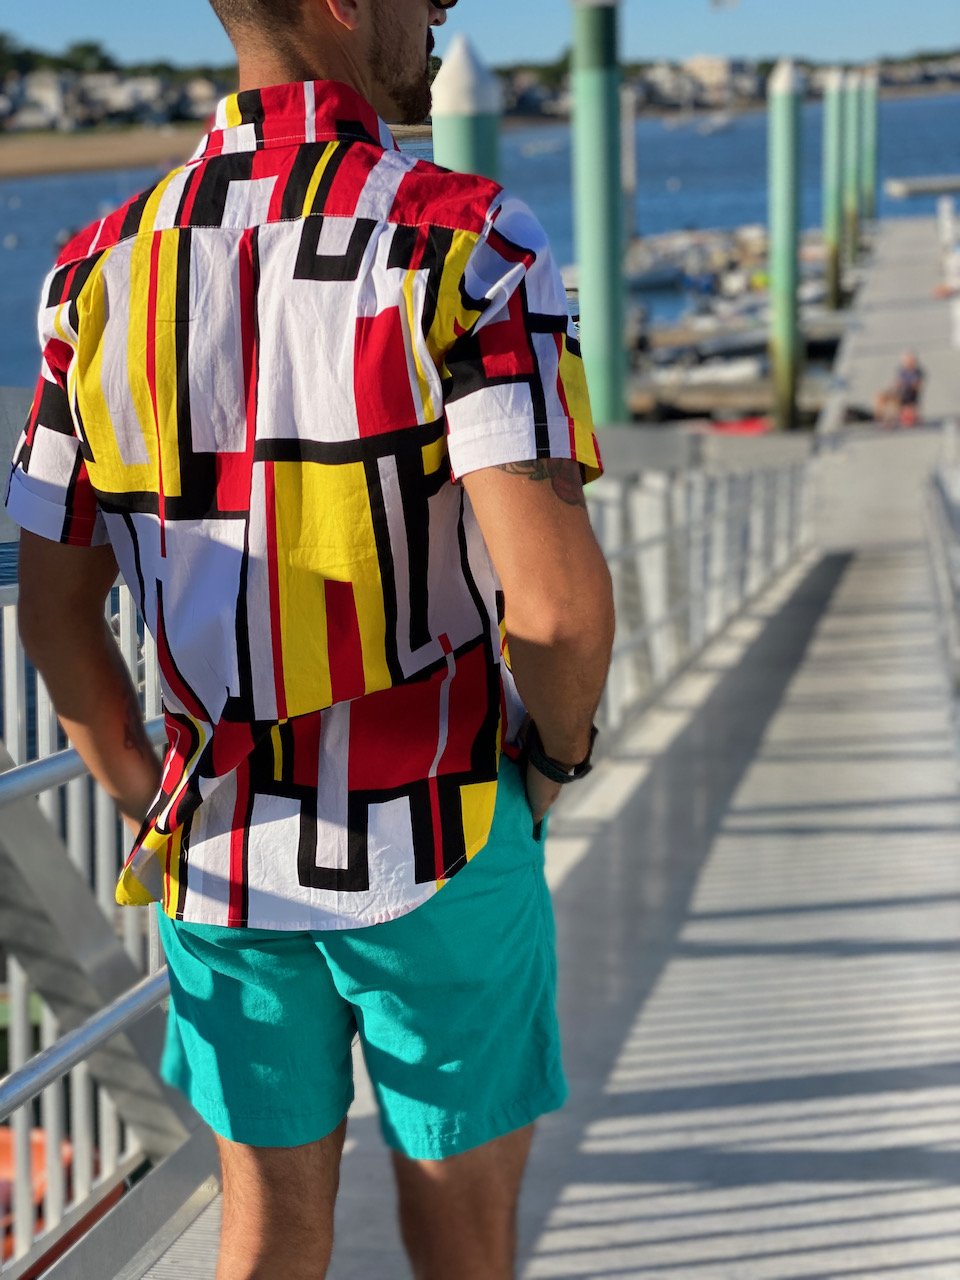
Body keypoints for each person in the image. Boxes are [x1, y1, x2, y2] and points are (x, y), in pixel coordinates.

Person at [6, 1, 615, 1277]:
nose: (443, 10)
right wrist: (556, 761)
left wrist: (154, 797)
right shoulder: (468, 241)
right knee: (462, 1235)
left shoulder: (93, 273)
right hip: (442, 824)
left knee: (269, 1231)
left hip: (221, 849)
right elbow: (555, 609)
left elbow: (55, 613)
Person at [874, 349, 925, 428]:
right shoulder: (902, 371)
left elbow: (917, 386)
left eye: (909, 361)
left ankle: (892, 419)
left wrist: (906, 386)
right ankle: (880, 418)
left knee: (897, 402)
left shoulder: (917, 372)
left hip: (908, 396)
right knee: (880, 396)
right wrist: (892, 388)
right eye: (905, 361)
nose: (907, 363)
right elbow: (897, 383)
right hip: (898, 392)